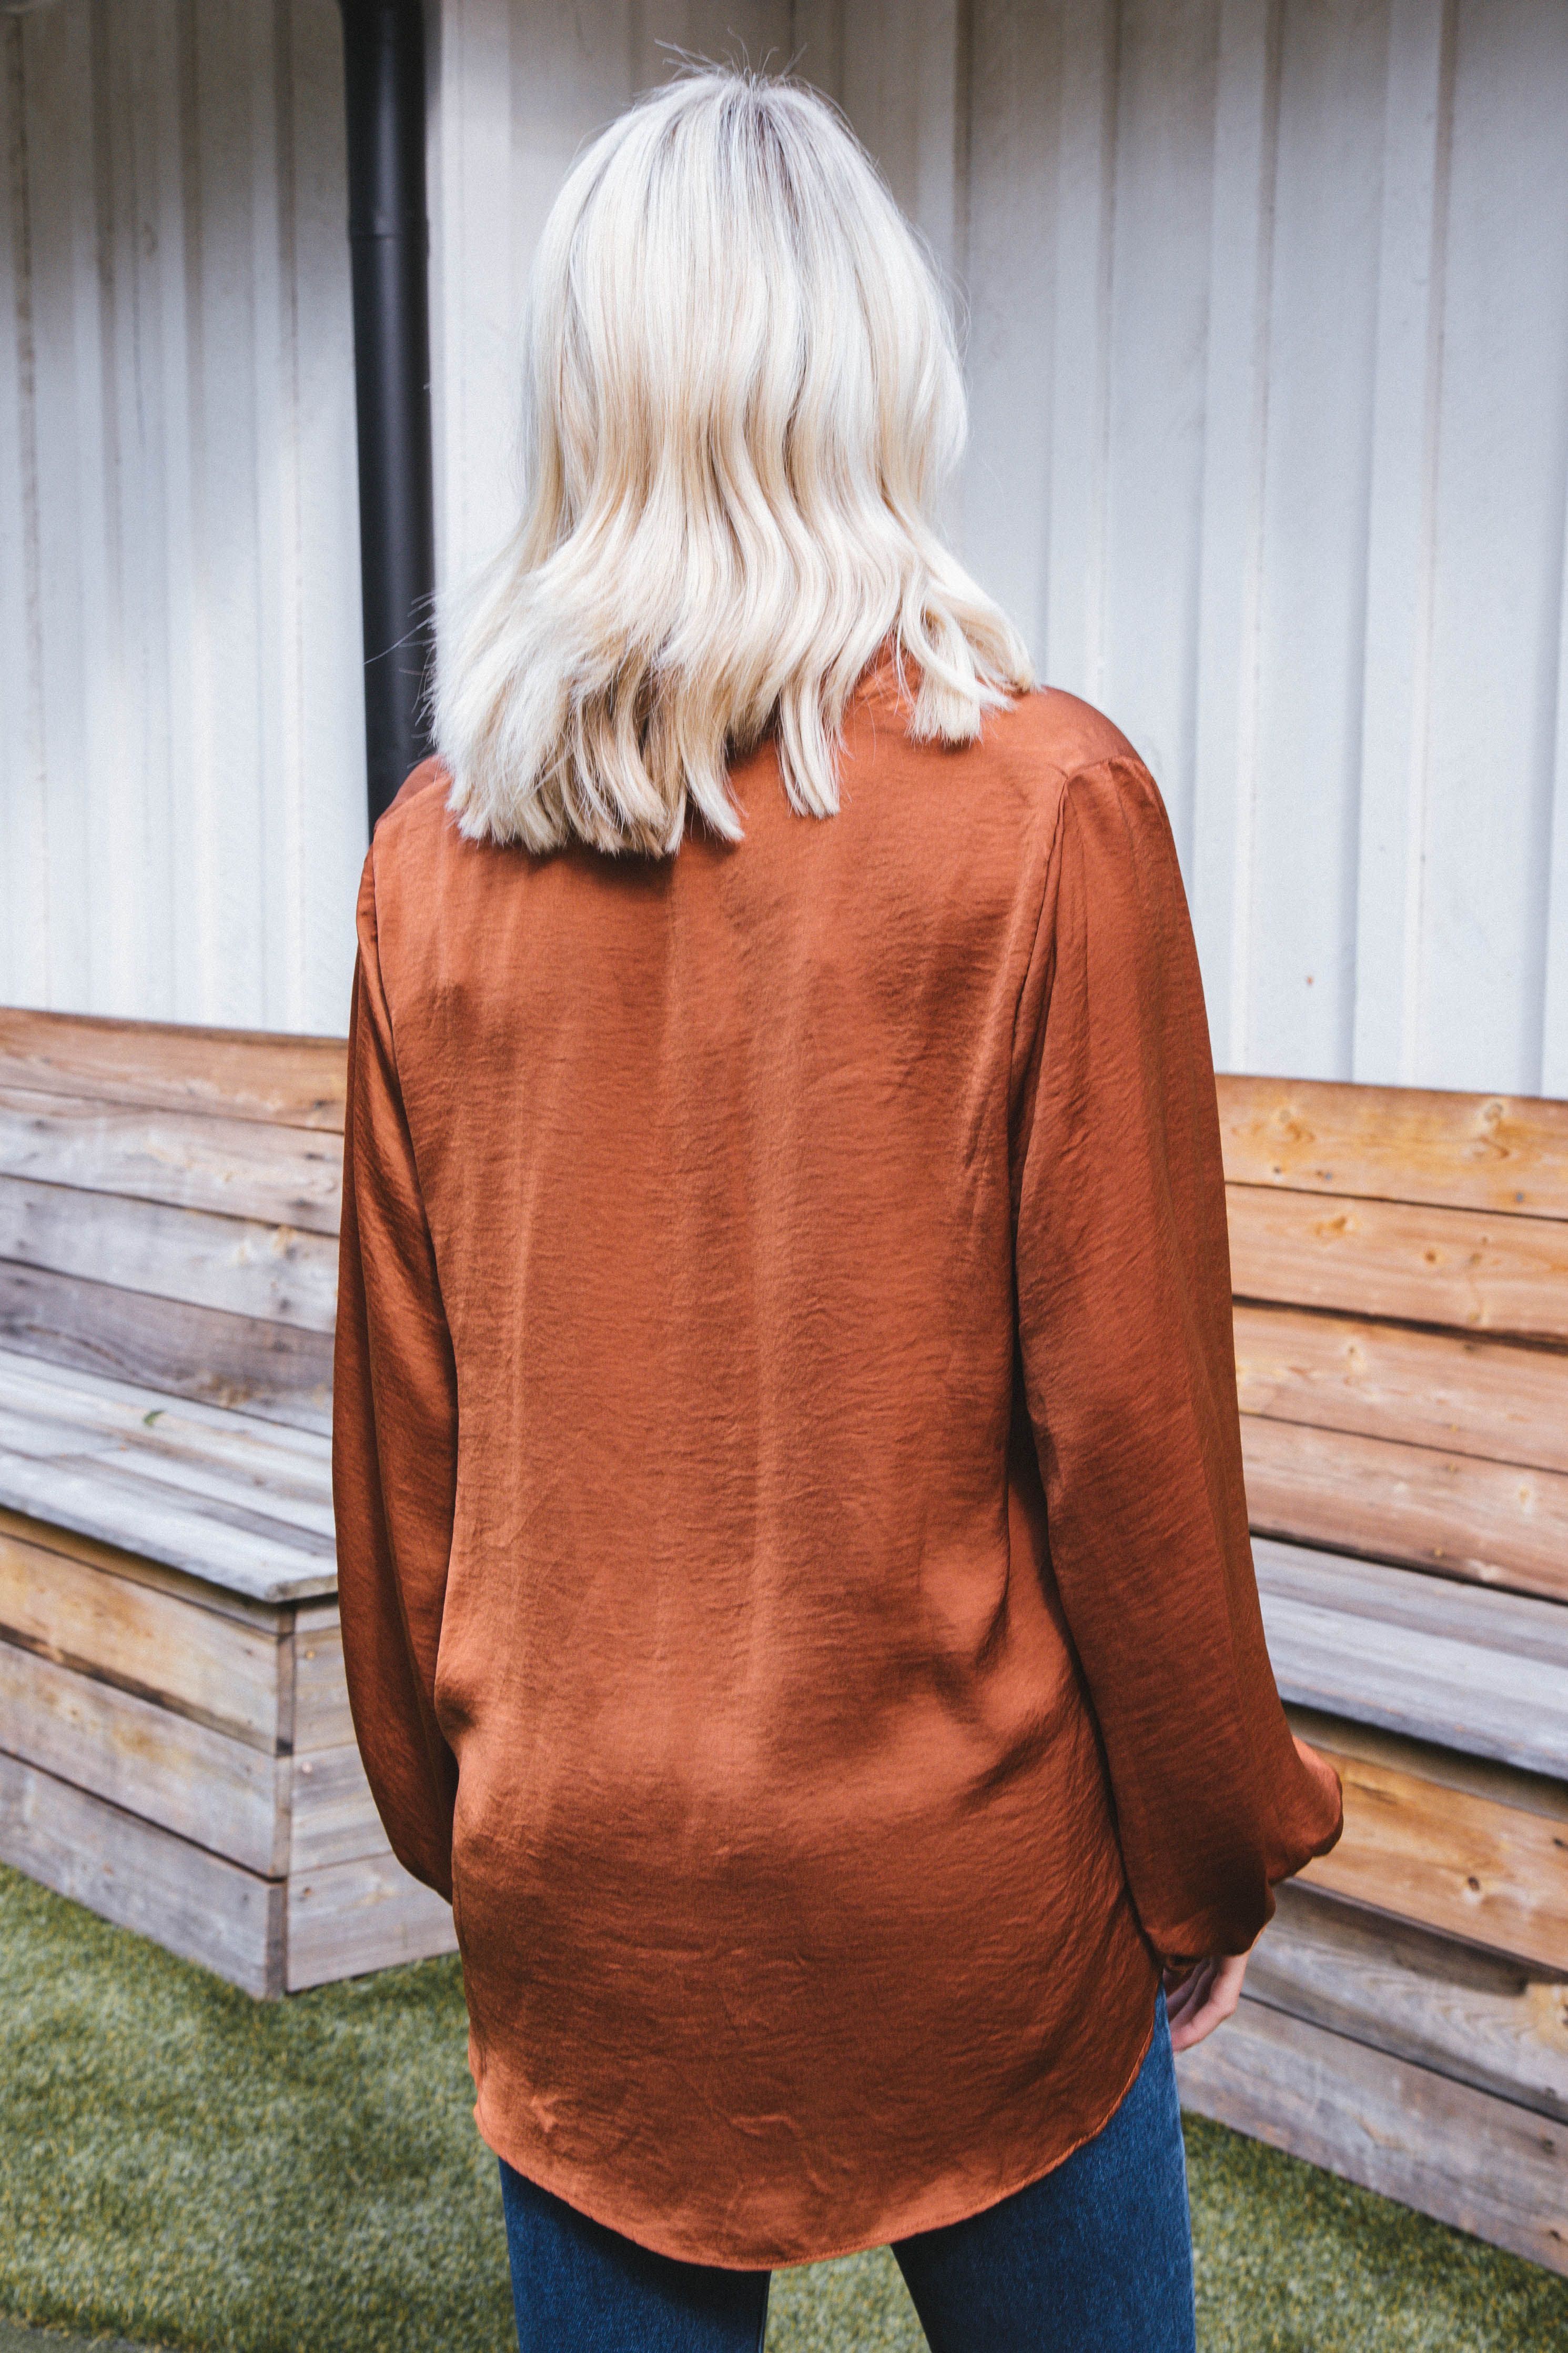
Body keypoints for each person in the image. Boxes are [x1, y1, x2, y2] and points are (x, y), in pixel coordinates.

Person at [331, 67, 1343, 2353]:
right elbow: (1131, 1429)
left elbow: (406, 1439)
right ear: (874, 375)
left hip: (580, 1864)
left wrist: (462, 1812)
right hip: (956, 1869)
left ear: (580, 400)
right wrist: (1201, 1850)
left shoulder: (427, 862)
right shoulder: (1047, 808)